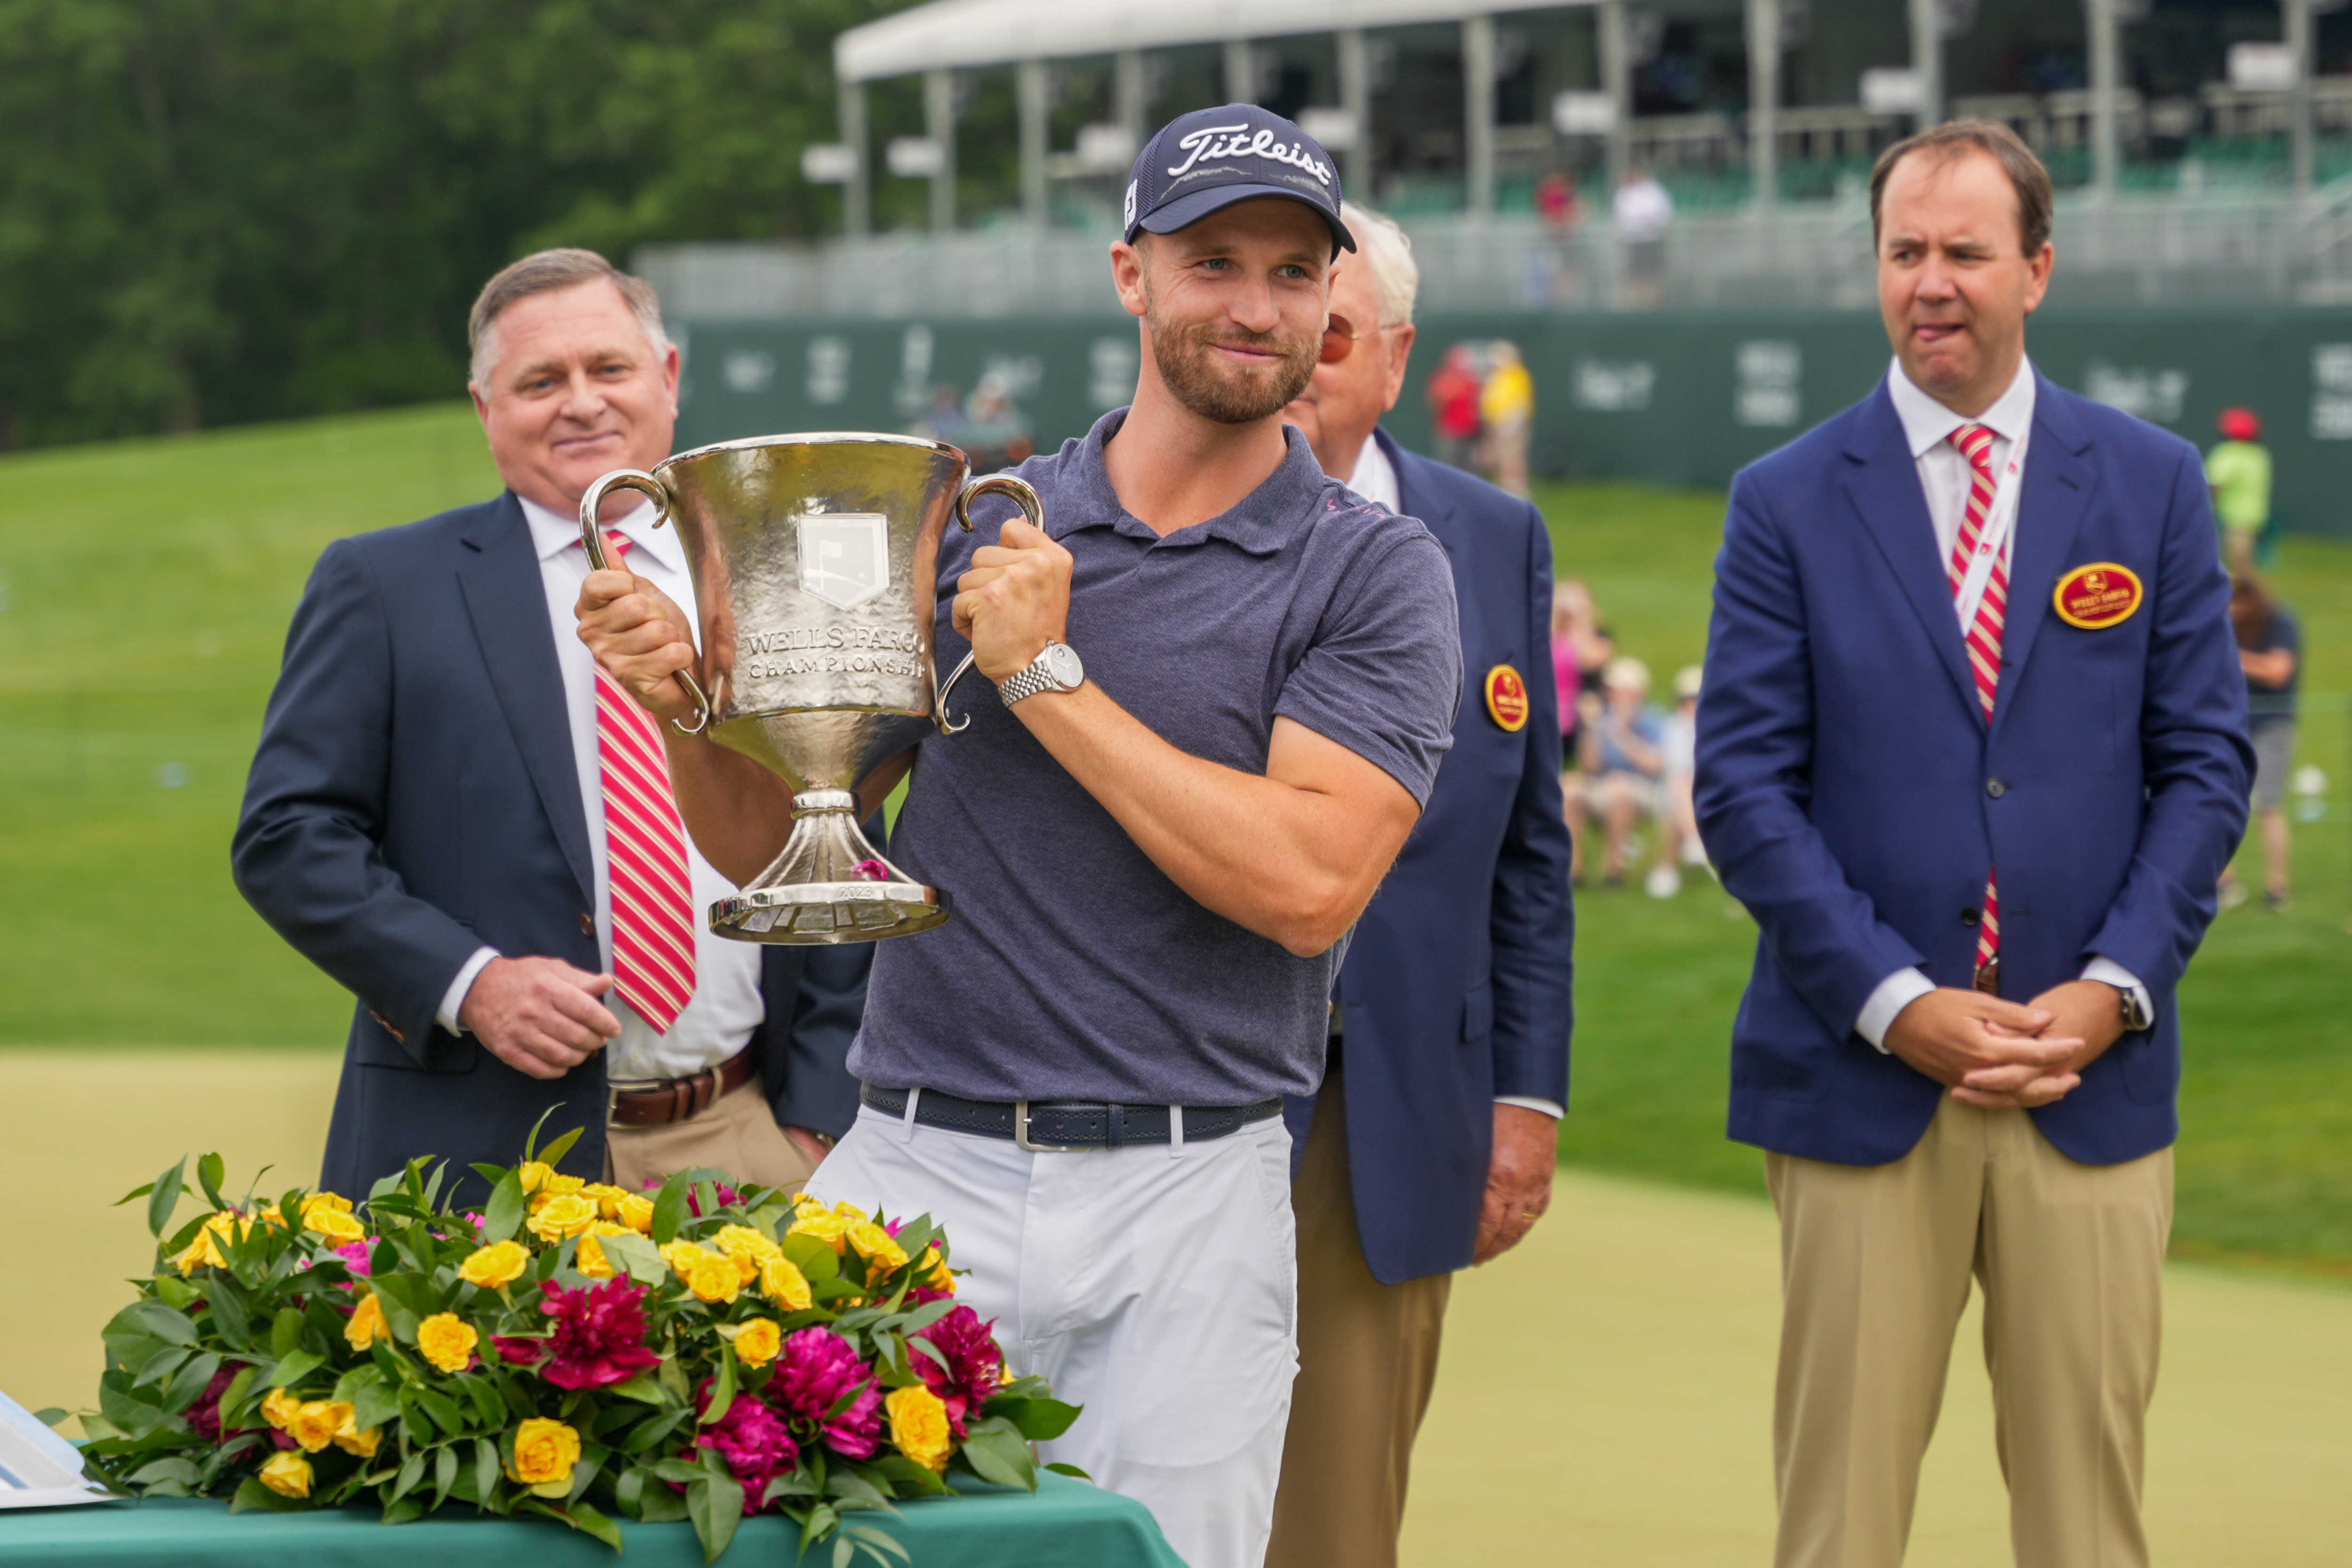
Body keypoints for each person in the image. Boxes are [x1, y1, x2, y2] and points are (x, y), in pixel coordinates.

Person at [576, 107, 1462, 1568]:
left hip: (1194, 1185)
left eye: (1295, 273)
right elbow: (779, 844)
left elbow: (1307, 885)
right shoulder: (970, 518)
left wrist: (1049, 675)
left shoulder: (1372, 570)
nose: (1254, 306)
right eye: (1213, 261)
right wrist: (685, 703)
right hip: (921, 1162)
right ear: (1130, 273)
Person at [1695, 122, 2249, 1568]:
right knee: (1838, 1526)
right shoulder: (1784, 500)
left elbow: (2202, 767)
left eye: (1962, 252)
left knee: (2086, 1525)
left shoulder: (2149, 482)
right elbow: (1744, 789)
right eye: (1902, 253)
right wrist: (1900, 1003)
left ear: (2036, 269)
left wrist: (2112, 984)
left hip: (2088, 1076)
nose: (1928, 284)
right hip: (1862, 1079)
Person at [233, 248, 871, 1205]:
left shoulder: (771, 582)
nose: (581, 402)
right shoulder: (382, 586)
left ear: (667, 378)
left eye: (608, 369)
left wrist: (818, 1122)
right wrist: (469, 980)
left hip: (743, 1143)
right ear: (488, 408)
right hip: (477, 1158)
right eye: (541, 381)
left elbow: (847, 842)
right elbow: (287, 837)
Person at [1267, 200, 1574, 1568]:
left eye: (1328, 334)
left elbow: (1526, 848)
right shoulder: (1141, 525)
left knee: (1339, 1516)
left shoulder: (1490, 535)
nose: (1295, 360)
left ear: (1393, 359)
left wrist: (1523, 1095)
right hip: (1169, 1083)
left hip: (1390, 1107)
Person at [2222, 573, 2301, 910]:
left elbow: (2278, 671)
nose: (2235, 610)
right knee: (2218, 803)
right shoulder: (2226, 624)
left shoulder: (2282, 622)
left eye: (2240, 603)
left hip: (2272, 726)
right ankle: (2223, 884)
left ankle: (2277, 888)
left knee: (2269, 805)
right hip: (2231, 723)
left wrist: (2234, 657)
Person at [1564, 655, 1665, 889]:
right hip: (1602, 786)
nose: (1615, 697)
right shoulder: (1600, 721)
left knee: (1620, 789)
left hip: (1641, 790)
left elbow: (1654, 765)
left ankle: (1614, 871)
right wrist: (1590, 728)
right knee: (1569, 787)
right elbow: (1590, 767)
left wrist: (1621, 733)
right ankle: (1574, 870)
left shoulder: (1653, 721)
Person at [1650, 664, 1704, 898]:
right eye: (1687, 700)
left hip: (1704, 790)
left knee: (1683, 794)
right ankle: (1692, 842)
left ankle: (1667, 868)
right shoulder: (1675, 726)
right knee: (1681, 791)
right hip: (1676, 792)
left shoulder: (1712, 727)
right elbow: (1676, 770)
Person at [2206, 407, 2272, 575]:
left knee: (2238, 570)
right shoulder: (2260, 454)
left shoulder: (2228, 452)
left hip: (2232, 519)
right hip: (2255, 517)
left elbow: (2214, 485)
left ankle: (2238, 600)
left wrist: (2204, 511)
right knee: (2243, 567)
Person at [1478, 341, 1535, 497]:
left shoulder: (1517, 375)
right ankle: (1506, 487)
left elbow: (1521, 402)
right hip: (1496, 423)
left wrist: (1513, 425)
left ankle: (1517, 489)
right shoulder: (1497, 376)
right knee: (1500, 458)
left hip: (1510, 425)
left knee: (1513, 457)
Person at [1612, 165, 1674, 307]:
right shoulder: (1624, 193)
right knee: (1637, 276)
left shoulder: (1654, 191)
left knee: (1655, 274)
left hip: (1653, 240)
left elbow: (1664, 214)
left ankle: (1657, 303)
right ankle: (1639, 302)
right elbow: (1621, 218)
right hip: (1634, 242)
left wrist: (1652, 224)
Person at [1427, 343, 1483, 471]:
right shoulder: (1444, 377)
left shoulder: (1472, 379)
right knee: (1449, 464)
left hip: (1470, 429)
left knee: (1469, 466)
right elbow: (1437, 401)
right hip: (1451, 429)